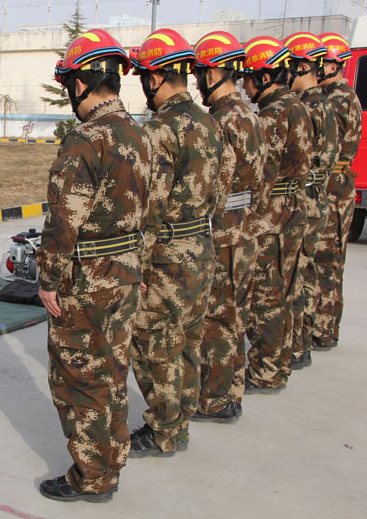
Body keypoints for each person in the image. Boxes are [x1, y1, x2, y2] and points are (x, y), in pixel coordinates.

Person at [36, 29, 151, 503]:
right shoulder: (141, 134)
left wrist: (48, 279)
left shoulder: (84, 141)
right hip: (127, 273)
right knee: (113, 371)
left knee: (80, 379)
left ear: (80, 82)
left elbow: (64, 220)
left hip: (86, 281)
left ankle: (91, 476)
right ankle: (111, 462)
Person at [128, 28, 221, 457]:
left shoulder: (159, 130)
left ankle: (163, 431)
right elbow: (220, 189)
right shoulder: (209, 122)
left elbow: (152, 205)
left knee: (155, 346)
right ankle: (179, 425)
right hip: (201, 246)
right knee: (188, 342)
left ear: (155, 78)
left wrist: (139, 264)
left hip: (167, 256)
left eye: (144, 78)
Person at [190, 31, 267, 424]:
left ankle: (216, 400)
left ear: (213, 73)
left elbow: (211, 188)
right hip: (246, 230)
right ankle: (231, 392)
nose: (196, 83)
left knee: (216, 319)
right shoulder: (252, 116)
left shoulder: (220, 122)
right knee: (234, 315)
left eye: (199, 75)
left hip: (221, 235)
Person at [241, 36, 311, 392]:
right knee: (283, 290)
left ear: (265, 77)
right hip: (293, 206)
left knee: (266, 296)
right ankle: (280, 362)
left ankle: (267, 371)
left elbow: (262, 174)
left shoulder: (272, 115)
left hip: (273, 213)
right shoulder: (298, 106)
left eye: (249, 78)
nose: (245, 86)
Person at [283, 31, 340, 369]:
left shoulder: (307, 108)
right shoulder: (324, 105)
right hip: (316, 196)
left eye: (289, 67)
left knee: (294, 277)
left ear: (303, 67)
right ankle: (301, 342)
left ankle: (295, 346)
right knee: (304, 274)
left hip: (305, 197)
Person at [316, 32, 362, 349]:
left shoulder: (337, 100)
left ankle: (324, 328)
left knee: (326, 259)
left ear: (335, 65)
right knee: (332, 259)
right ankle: (327, 326)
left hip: (333, 185)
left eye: (322, 63)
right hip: (338, 183)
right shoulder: (341, 96)